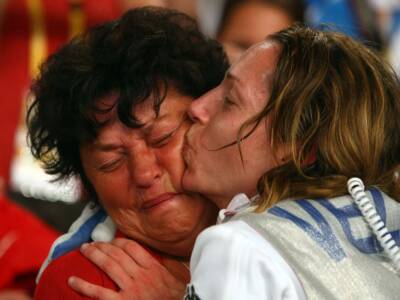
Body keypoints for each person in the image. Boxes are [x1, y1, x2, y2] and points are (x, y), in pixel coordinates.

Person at [71, 25, 400, 299]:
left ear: (302, 148)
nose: (198, 108)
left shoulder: (236, 246)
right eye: (111, 161)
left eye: (229, 100)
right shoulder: (387, 215)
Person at [27, 7, 228, 299]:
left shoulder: (287, 218)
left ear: (212, 119)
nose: (144, 173)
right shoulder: (84, 283)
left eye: (162, 138)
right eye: (111, 162)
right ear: (88, 185)